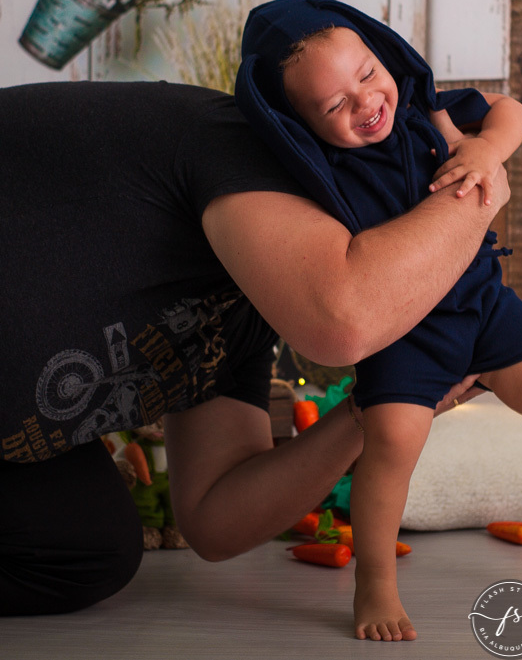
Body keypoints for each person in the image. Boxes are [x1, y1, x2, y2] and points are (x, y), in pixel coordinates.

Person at [0, 80, 492, 616]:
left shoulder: (255, 305)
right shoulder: (236, 143)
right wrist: (483, 192)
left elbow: (215, 520)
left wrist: (368, 408)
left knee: (84, 546)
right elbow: (345, 318)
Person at [234, 0, 522, 642]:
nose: (365, 101)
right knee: (391, 446)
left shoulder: (428, 114)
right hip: (399, 334)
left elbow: (510, 109)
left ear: (384, 56)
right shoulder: (314, 173)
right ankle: (374, 578)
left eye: (368, 73)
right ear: (299, 124)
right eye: (335, 105)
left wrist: (486, 150)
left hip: (481, 303)